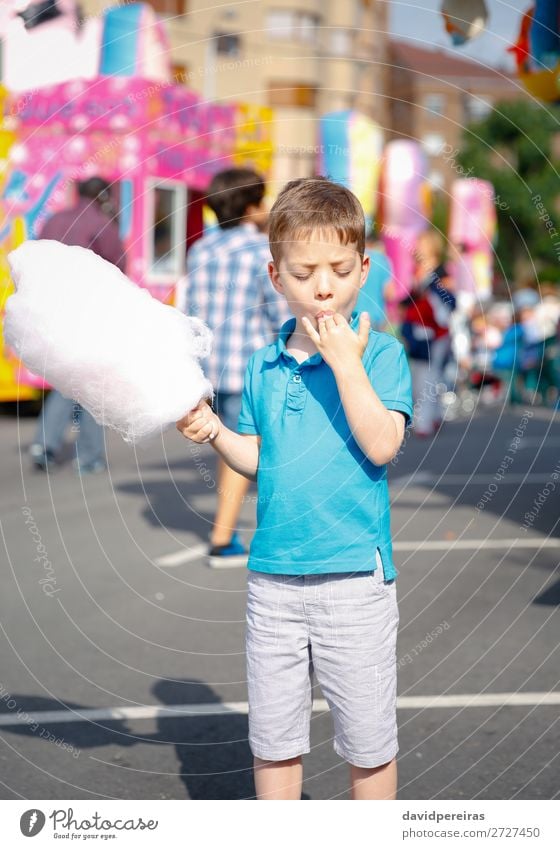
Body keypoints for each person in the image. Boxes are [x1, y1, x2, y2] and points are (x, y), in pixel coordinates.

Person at [177, 177, 413, 800]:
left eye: (338, 268)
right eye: (304, 272)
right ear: (276, 276)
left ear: (364, 267)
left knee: (368, 746)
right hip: (274, 581)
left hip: (353, 582)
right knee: (275, 745)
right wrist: (215, 431)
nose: (324, 286)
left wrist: (345, 363)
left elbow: (382, 443)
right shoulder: (262, 363)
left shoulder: (381, 356)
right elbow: (258, 457)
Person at [179, 168, 290, 568]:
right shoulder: (262, 251)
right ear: (250, 206)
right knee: (251, 445)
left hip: (211, 365)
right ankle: (223, 537)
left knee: (228, 445)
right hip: (251, 364)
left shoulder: (200, 250)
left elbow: (188, 310)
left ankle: (227, 533)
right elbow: (279, 312)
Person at [29, 177, 126, 473]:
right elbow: (120, 267)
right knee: (91, 383)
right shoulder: (100, 223)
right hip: (88, 315)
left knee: (71, 379)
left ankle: (47, 445)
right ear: (103, 197)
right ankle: (87, 455)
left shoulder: (54, 220)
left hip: (51, 313)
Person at [400, 229, 456, 437]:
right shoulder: (417, 272)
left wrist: (433, 290)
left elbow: (450, 301)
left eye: (422, 244)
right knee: (425, 374)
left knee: (427, 375)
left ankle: (425, 422)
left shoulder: (441, 272)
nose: (417, 247)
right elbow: (409, 299)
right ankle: (433, 416)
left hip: (437, 332)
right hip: (418, 330)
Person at [354, 227, 394, 331]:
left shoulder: (353, 257)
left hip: (353, 316)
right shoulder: (383, 260)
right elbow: (390, 293)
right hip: (376, 318)